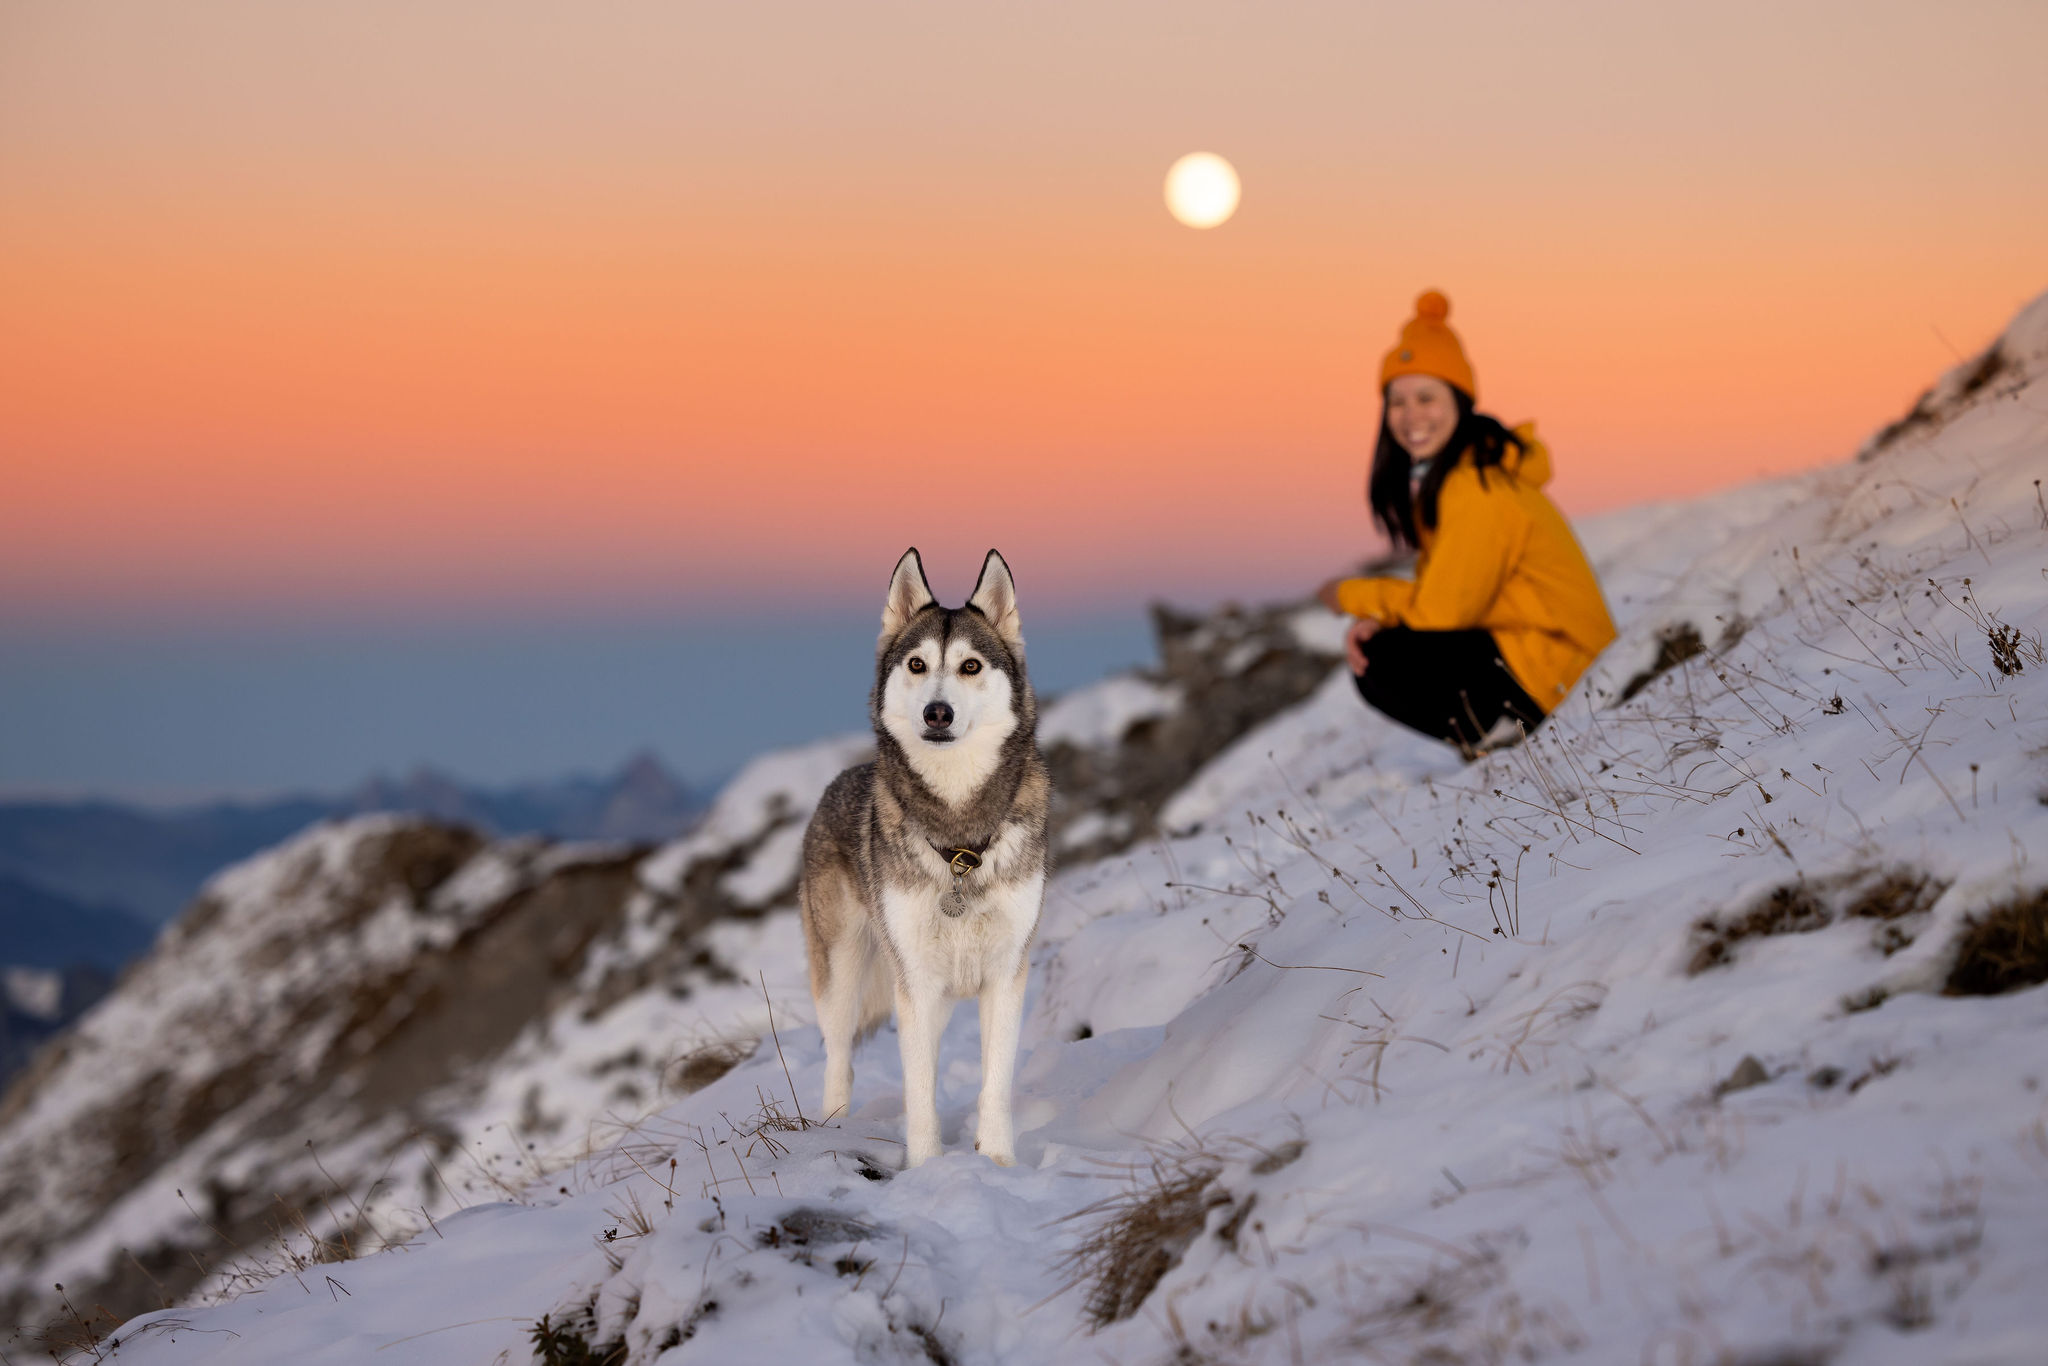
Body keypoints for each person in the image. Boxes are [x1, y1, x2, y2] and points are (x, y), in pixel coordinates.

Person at [1316, 291, 1616, 752]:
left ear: (1459, 402)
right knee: (1388, 644)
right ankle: (1500, 732)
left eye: (1426, 397)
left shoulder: (1477, 487)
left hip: (1570, 677)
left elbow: (1443, 611)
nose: (1411, 415)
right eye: (1397, 401)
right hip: (1539, 659)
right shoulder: (1457, 480)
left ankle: (1507, 733)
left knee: (1382, 661)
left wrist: (1351, 595)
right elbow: (1449, 596)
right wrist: (1382, 618)